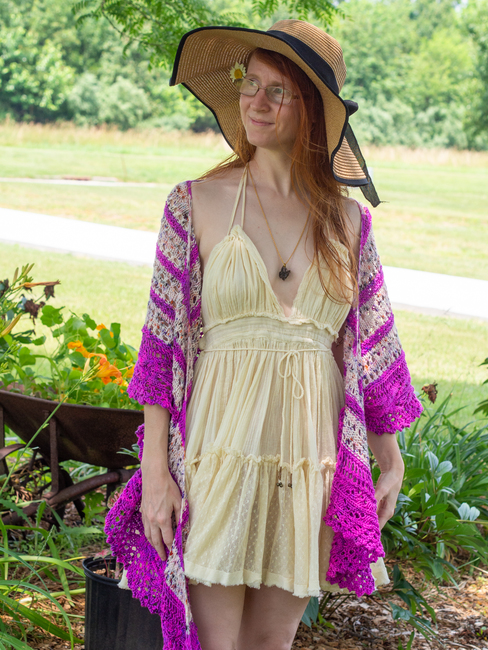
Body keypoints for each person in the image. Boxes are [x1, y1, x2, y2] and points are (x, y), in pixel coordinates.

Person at [105, 20, 423, 650]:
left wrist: (389, 457)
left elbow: (368, 349)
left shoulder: (349, 221)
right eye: (249, 83)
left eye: (278, 91)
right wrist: (156, 472)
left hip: (308, 458)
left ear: (313, 110)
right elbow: (160, 349)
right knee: (212, 641)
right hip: (217, 447)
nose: (255, 101)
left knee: (272, 642)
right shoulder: (195, 202)